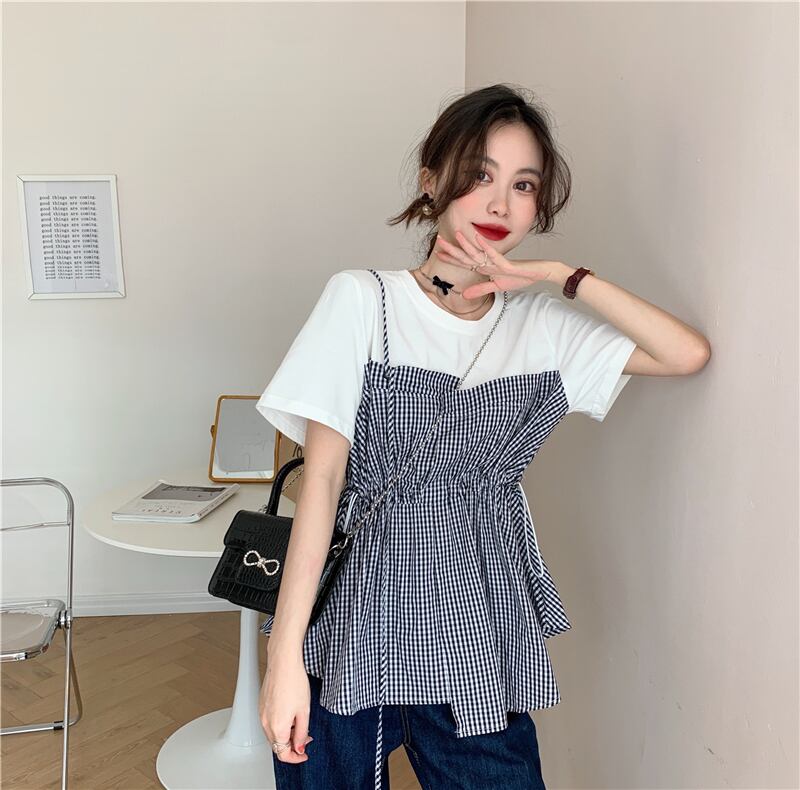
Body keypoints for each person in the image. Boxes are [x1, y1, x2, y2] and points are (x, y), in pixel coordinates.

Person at [255, 84, 711, 789]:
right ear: (431, 181)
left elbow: (686, 354)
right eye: (479, 175)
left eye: (523, 185)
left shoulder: (542, 328)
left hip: (476, 627)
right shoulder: (363, 300)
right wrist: (284, 659)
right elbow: (323, 480)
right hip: (350, 623)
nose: (500, 204)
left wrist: (559, 276)